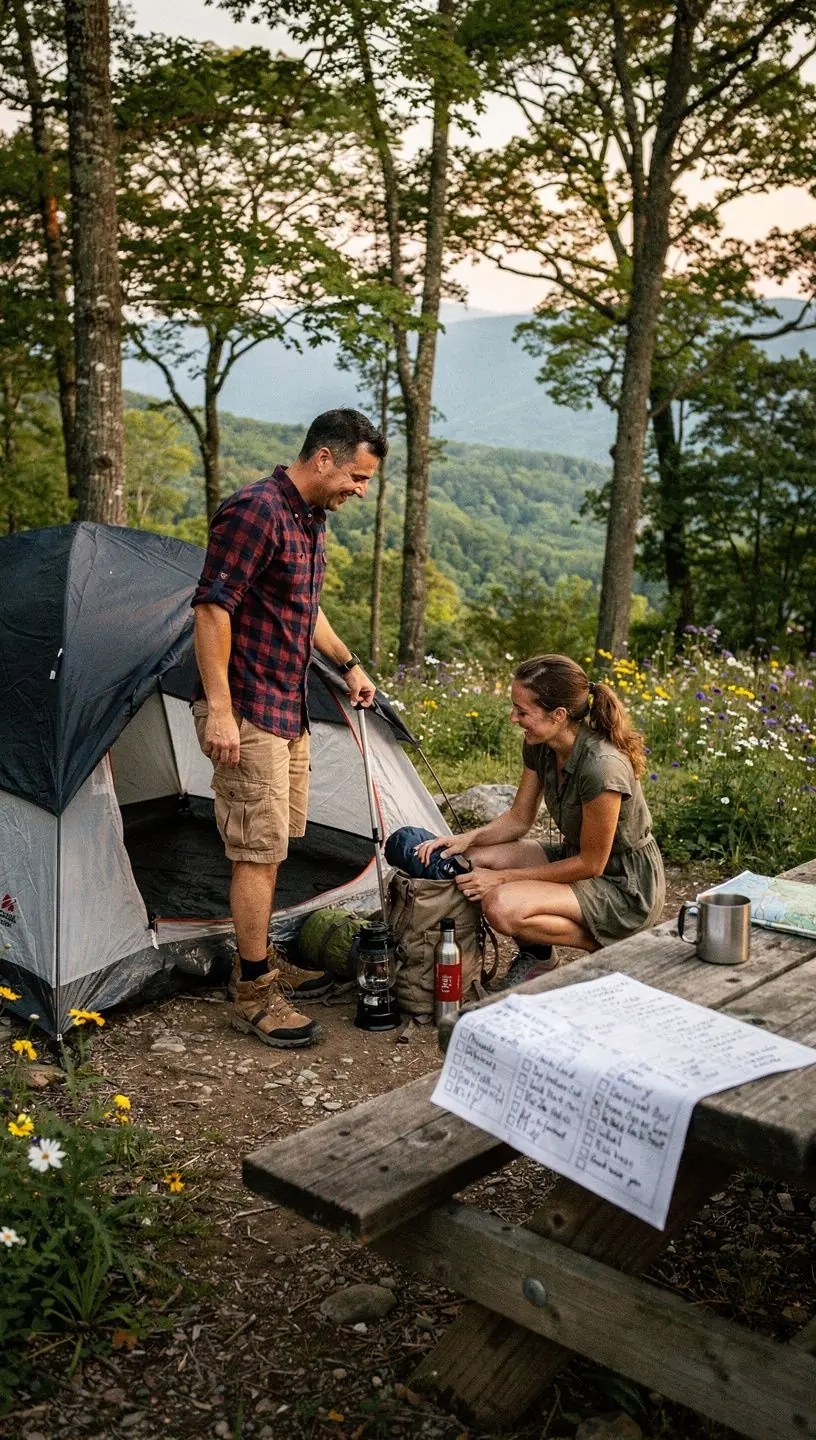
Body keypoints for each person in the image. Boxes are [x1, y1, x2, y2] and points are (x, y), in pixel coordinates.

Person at [191, 409, 385, 1047]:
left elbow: (306, 605)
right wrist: (220, 709)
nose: (361, 490)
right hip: (248, 710)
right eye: (357, 477)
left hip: (287, 706)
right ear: (323, 458)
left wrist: (348, 664)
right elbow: (212, 609)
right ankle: (253, 993)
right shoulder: (256, 511)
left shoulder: (309, 518)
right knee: (256, 851)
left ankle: (260, 963)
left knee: (275, 845)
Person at [416, 653, 665, 981]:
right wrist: (467, 838)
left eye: (522, 712)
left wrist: (503, 878)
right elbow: (519, 818)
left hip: (624, 884)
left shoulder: (601, 767)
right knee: (472, 859)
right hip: (577, 858)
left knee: (500, 906)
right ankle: (540, 957)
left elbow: (592, 864)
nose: (513, 718)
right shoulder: (540, 744)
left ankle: (615, 944)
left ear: (558, 715)